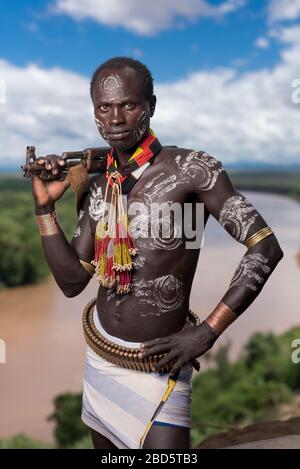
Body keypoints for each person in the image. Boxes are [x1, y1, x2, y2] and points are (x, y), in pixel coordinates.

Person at [31, 57, 284, 449]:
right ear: (94, 110)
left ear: (151, 104)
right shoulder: (99, 184)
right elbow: (71, 282)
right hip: (101, 360)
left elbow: (265, 247)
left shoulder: (193, 170)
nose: (115, 118)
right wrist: (45, 209)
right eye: (104, 107)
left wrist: (207, 331)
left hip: (161, 364)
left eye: (128, 105)